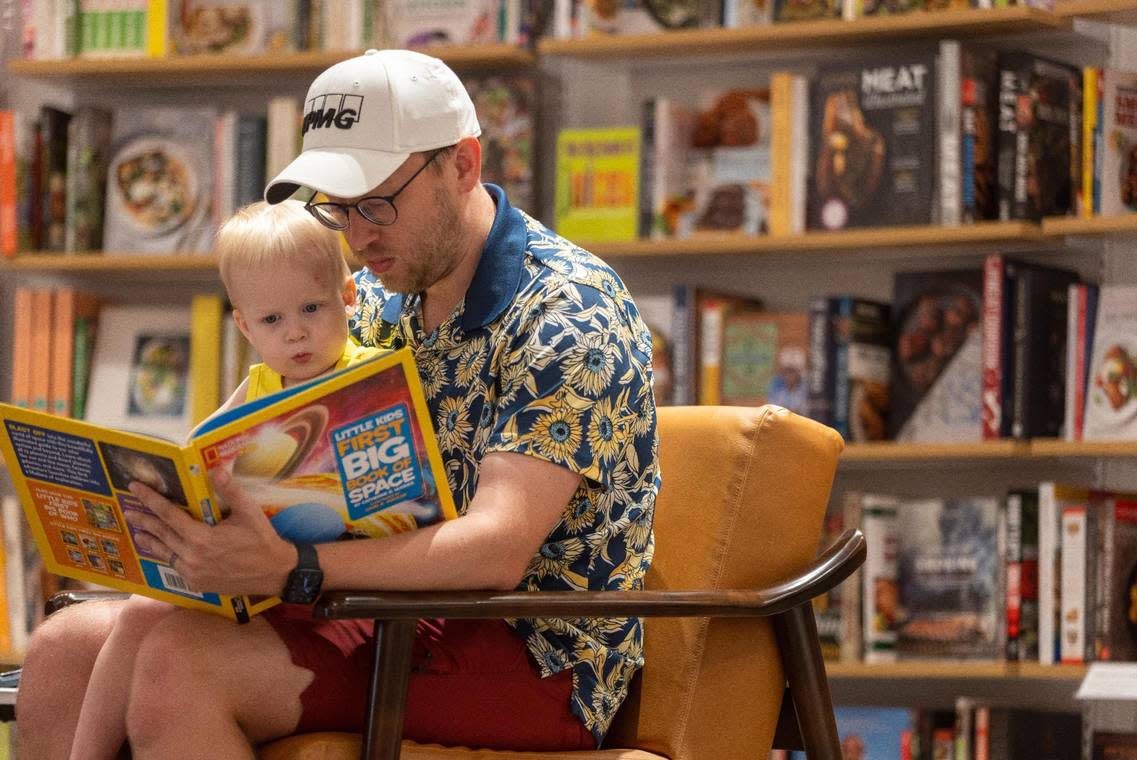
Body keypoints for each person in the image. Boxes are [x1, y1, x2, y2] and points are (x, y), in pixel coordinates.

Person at [16, 48, 659, 760]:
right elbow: (249, 434)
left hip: (529, 650)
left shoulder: (569, 314)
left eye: (378, 203)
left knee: (179, 663)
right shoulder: (373, 298)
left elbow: (497, 549)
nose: (356, 236)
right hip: (372, 610)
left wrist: (293, 565)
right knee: (63, 649)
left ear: (463, 165)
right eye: (338, 209)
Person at [64, 199, 383, 760]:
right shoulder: (259, 383)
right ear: (243, 325)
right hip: (251, 580)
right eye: (272, 320)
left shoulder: (374, 378)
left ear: (349, 297)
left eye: (312, 307)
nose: (296, 334)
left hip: (331, 588)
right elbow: (198, 451)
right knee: (139, 612)